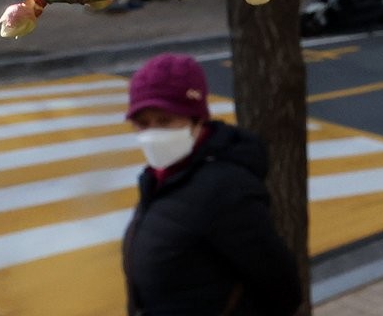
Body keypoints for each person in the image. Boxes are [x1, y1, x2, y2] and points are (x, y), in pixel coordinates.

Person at [122, 53, 301, 316]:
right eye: (142, 123)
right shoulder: (160, 177)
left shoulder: (227, 189)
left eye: (164, 120)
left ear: (197, 120)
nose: (151, 134)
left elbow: (282, 286)